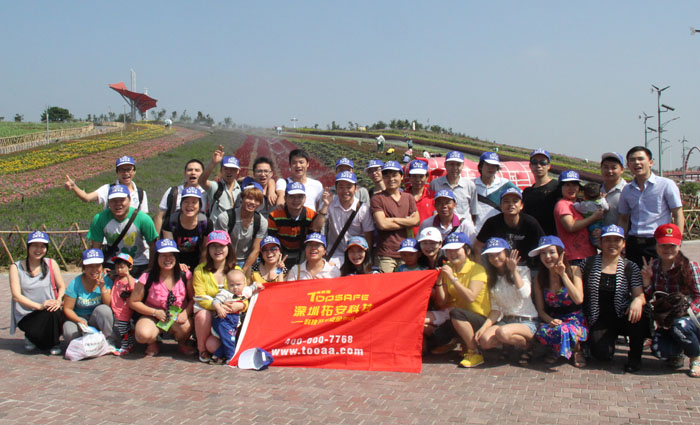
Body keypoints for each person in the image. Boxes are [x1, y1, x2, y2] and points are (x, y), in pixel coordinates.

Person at [580, 225, 647, 373]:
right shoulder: (588, 264)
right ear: (601, 243)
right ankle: (603, 342)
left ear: (623, 244)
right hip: (599, 317)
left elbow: (639, 294)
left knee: (640, 315)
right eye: (607, 240)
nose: (612, 244)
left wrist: (637, 301)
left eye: (617, 240)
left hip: (622, 314)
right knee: (601, 354)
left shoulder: (631, 267)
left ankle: (635, 358)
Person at [641, 223, 700, 378]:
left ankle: (696, 357)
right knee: (659, 350)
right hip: (667, 320)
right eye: (663, 245)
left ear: (679, 246)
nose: (667, 249)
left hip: (689, 318)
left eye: (672, 245)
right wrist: (647, 281)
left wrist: (686, 313)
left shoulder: (690, 267)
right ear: (656, 246)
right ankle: (677, 353)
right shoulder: (654, 267)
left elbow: (699, 296)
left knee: (680, 326)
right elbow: (650, 296)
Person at [474, 238, 539, 365]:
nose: (495, 258)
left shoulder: (522, 270)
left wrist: (513, 270)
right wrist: (483, 328)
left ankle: (528, 345)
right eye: (491, 255)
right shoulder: (492, 278)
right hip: (506, 321)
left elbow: (525, 293)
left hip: (527, 321)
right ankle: (509, 343)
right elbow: (495, 309)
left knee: (502, 332)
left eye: (498, 254)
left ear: (506, 253)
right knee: (485, 341)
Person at [618, 146, 684, 268]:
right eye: (632, 160)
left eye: (640, 159)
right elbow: (623, 219)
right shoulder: (626, 190)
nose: (637, 162)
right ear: (628, 165)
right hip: (634, 243)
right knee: (634, 278)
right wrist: (621, 241)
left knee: (659, 277)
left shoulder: (666, 185)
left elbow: (678, 214)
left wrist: (677, 241)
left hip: (658, 242)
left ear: (651, 162)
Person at [129, 239, 194, 357]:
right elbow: (133, 302)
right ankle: (152, 342)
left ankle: (182, 342)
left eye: (171, 255)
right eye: (163, 255)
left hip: (177, 316)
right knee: (143, 334)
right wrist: (155, 312)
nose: (167, 259)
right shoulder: (147, 277)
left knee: (186, 326)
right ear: (157, 257)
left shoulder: (185, 275)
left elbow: (193, 298)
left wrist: (186, 312)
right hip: (152, 316)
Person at [529, 236, 588, 367]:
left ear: (561, 253)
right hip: (554, 320)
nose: (547, 257)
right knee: (543, 332)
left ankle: (576, 349)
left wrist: (563, 274)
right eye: (543, 253)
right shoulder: (540, 277)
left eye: (552, 252)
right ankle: (560, 347)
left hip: (575, 320)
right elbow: (540, 310)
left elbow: (578, 299)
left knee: (565, 330)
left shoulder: (574, 270)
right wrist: (550, 320)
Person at [433, 232, 489, 368]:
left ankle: (474, 352)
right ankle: (456, 342)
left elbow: (471, 297)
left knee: (456, 313)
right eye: (449, 250)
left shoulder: (477, 269)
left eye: (456, 249)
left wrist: (452, 278)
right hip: (458, 318)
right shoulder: (449, 269)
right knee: (434, 336)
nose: (452, 254)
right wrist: (439, 280)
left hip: (479, 318)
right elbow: (442, 302)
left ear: (467, 250)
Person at [9, 231, 66, 355]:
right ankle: (31, 336)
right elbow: (16, 296)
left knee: (54, 311)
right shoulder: (16, 267)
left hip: (49, 310)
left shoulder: (51, 264)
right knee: (40, 333)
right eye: (35, 245)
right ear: (28, 247)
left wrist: (58, 301)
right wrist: (39, 306)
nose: (39, 249)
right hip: (27, 314)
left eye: (42, 246)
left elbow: (62, 286)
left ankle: (53, 342)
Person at [87, 184, 158, 276]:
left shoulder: (143, 219)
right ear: (109, 202)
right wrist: (99, 268)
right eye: (114, 200)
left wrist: (150, 268)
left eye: (122, 200)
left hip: (138, 263)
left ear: (129, 200)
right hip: (112, 264)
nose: (118, 204)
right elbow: (96, 247)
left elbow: (153, 245)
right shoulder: (99, 219)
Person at [192, 230, 238, 362]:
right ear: (208, 249)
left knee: (213, 346)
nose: (218, 250)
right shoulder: (200, 270)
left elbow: (243, 297)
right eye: (213, 246)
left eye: (221, 246)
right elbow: (200, 297)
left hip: (228, 317)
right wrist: (217, 306)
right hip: (209, 315)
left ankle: (224, 349)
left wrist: (239, 305)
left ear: (228, 248)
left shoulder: (236, 270)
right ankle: (202, 349)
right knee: (202, 315)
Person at [474, 187, 544, 269]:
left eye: (515, 201)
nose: (511, 204)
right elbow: (477, 246)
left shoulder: (531, 223)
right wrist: (480, 269)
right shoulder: (492, 223)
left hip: (526, 267)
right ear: (501, 206)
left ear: (521, 206)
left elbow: (543, 246)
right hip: (500, 267)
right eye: (506, 201)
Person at [370, 160, 420, 273]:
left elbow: (416, 221)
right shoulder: (377, 198)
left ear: (401, 177)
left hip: (407, 252)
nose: (391, 179)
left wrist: (392, 220)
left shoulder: (408, 197)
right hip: (385, 254)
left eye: (394, 175)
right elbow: (382, 224)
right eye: (387, 176)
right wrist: (407, 221)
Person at [268, 182, 330, 268]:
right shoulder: (275, 216)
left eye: (300, 197)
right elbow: (271, 241)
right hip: (281, 252)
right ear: (285, 198)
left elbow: (316, 230)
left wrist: (325, 206)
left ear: (305, 199)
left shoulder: (311, 215)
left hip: (304, 253)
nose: (296, 200)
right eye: (292, 196)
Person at [62, 249, 115, 346]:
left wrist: (102, 287)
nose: (94, 270)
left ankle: (109, 340)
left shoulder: (106, 281)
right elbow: (67, 308)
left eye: (97, 265)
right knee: (69, 331)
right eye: (90, 266)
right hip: (79, 318)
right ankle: (83, 345)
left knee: (104, 310)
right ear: (84, 267)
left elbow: (108, 305)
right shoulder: (75, 283)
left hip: (96, 319)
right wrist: (79, 320)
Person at [65, 155, 149, 212]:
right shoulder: (108, 189)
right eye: (122, 170)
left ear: (134, 171)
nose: (126, 173)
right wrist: (74, 186)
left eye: (129, 169)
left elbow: (145, 219)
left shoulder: (141, 193)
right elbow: (86, 198)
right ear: (117, 172)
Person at [217, 181, 267, 275]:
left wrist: (243, 270)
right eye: (249, 198)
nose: (252, 202)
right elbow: (221, 245)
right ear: (242, 198)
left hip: (248, 261)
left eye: (257, 200)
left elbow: (256, 249)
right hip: (226, 259)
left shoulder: (261, 222)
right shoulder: (225, 217)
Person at [326, 171, 374, 267]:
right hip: (335, 255)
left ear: (356, 188)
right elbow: (317, 227)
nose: (345, 191)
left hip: (357, 256)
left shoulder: (363, 209)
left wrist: (367, 261)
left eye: (349, 187)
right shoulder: (330, 204)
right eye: (341, 187)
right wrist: (324, 206)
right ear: (336, 188)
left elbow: (369, 236)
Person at [553, 171, 600, 267]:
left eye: (574, 185)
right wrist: (594, 218)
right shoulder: (562, 204)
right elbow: (570, 226)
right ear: (561, 188)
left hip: (589, 253)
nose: (571, 188)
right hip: (574, 257)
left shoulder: (581, 203)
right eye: (567, 185)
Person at [161, 186, 213, 272]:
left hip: (197, 263)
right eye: (186, 202)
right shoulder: (170, 221)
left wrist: (200, 267)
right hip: (173, 263)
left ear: (200, 205)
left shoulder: (205, 223)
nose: (189, 205)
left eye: (194, 202)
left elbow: (205, 248)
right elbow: (169, 248)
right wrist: (177, 264)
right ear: (181, 204)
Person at [155, 159, 209, 234]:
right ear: (184, 173)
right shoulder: (173, 192)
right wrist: (157, 238)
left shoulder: (207, 193)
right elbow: (159, 216)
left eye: (197, 170)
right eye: (190, 170)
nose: (193, 173)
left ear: (203, 174)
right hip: (173, 235)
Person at [209, 269, 252, 364]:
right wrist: (219, 308)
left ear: (244, 283)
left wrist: (258, 286)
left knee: (228, 339)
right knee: (230, 339)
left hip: (233, 321)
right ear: (227, 284)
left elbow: (252, 288)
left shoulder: (245, 291)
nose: (235, 287)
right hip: (223, 321)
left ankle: (216, 357)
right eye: (232, 285)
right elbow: (215, 301)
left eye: (238, 284)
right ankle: (231, 358)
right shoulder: (225, 293)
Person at [429, 151, 478, 227]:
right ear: (445, 165)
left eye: (458, 164)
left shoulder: (470, 185)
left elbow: (474, 212)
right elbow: (431, 208)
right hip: (442, 227)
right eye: (451, 164)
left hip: (463, 228)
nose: (455, 168)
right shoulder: (435, 184)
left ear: (463, 165)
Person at [473, 152, 517, 232]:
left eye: (494, 165)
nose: (491, 168)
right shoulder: (471, 185)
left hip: (499, 231)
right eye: (487, 165)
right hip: (475, 231)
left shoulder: (506, 184)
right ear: (480, 166)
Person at [199, 145, 241, 224]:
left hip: (233, 230)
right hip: (216, 230)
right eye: (226, 169)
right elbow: (201, 181)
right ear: (221, 170)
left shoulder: (241, 189)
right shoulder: (215, 187)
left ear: (238, 171)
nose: (229, 172)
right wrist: (213, 163)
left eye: (233, 169)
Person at [522, 149, 559, 236]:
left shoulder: (557, 187)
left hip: (552, 239)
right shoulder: (527, 192)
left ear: (549, 166)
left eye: (542, 162)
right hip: (532, 238)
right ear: (530, 166)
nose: (538, 166)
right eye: (534, 162)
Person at [109, 253, 136, 355]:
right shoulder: (117, 278)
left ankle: (124, 347)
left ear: (130, 267)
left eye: (122, 267)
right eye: (117, 267)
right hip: (117, 308)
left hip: (124, 310)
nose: (119, 270)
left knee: (122, 330)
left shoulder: (130, 280)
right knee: (126, 328)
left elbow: (133, 288)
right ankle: (130, 344)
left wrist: (128, 275)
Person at [405, 160, 435, 237]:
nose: (417, 180)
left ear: (427, 177)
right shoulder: (402, 196)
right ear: (409, 177)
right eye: (414, 176)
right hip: (407, 239)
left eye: (421, 176)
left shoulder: (433, 197)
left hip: (428, 239)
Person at [574, 182, 609, 247]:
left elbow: (576, 206)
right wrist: (603, 198)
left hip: (590, 225)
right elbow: (607, 207)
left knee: (592, 237)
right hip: (601, 224)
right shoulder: (601, 202)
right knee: (598, 238)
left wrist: (575, 202)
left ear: (585, 195)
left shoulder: (585, 205)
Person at [599, 152, 626, 226]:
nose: (609, 171)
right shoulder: (597, 189)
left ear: (622, 170)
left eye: (614, 168)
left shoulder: (627, 191)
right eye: (606, 167)